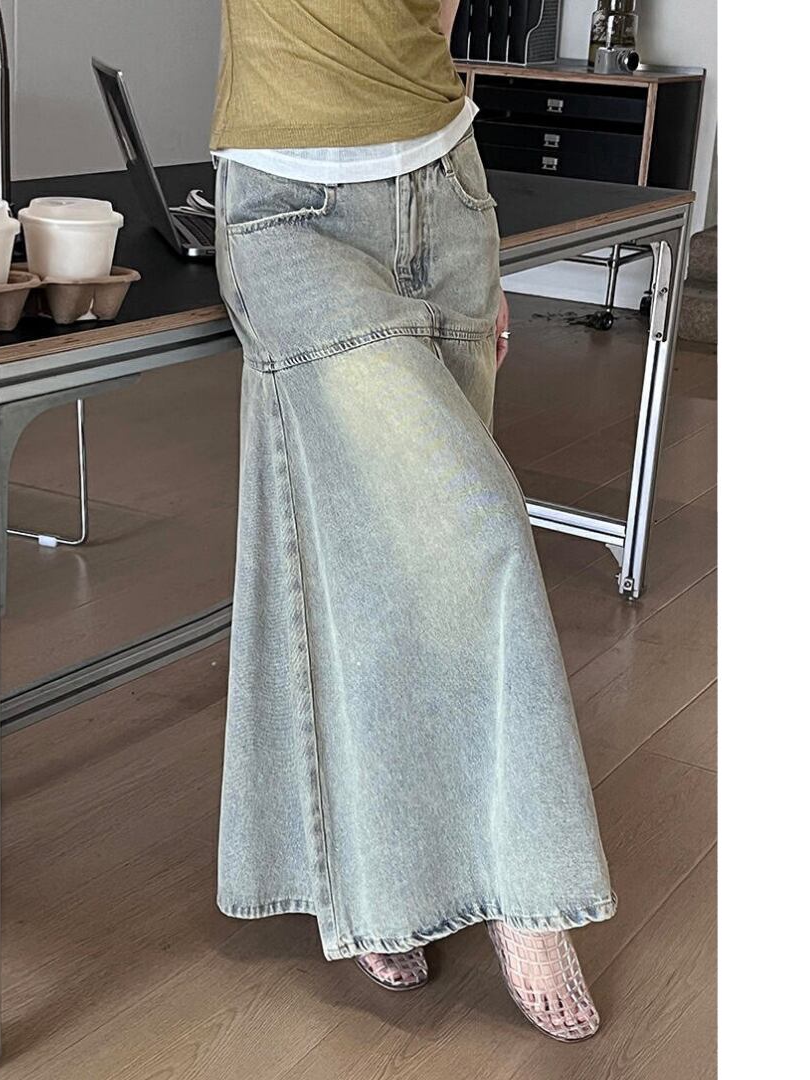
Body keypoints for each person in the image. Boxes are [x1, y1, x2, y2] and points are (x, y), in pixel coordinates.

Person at [208, 0, 615, 1042]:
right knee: (479, 530)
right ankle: (528, 894)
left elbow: (427, 26)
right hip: (290, 217)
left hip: (446, 198)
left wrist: (478, 250)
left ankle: (385, 879)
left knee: (400, 570)